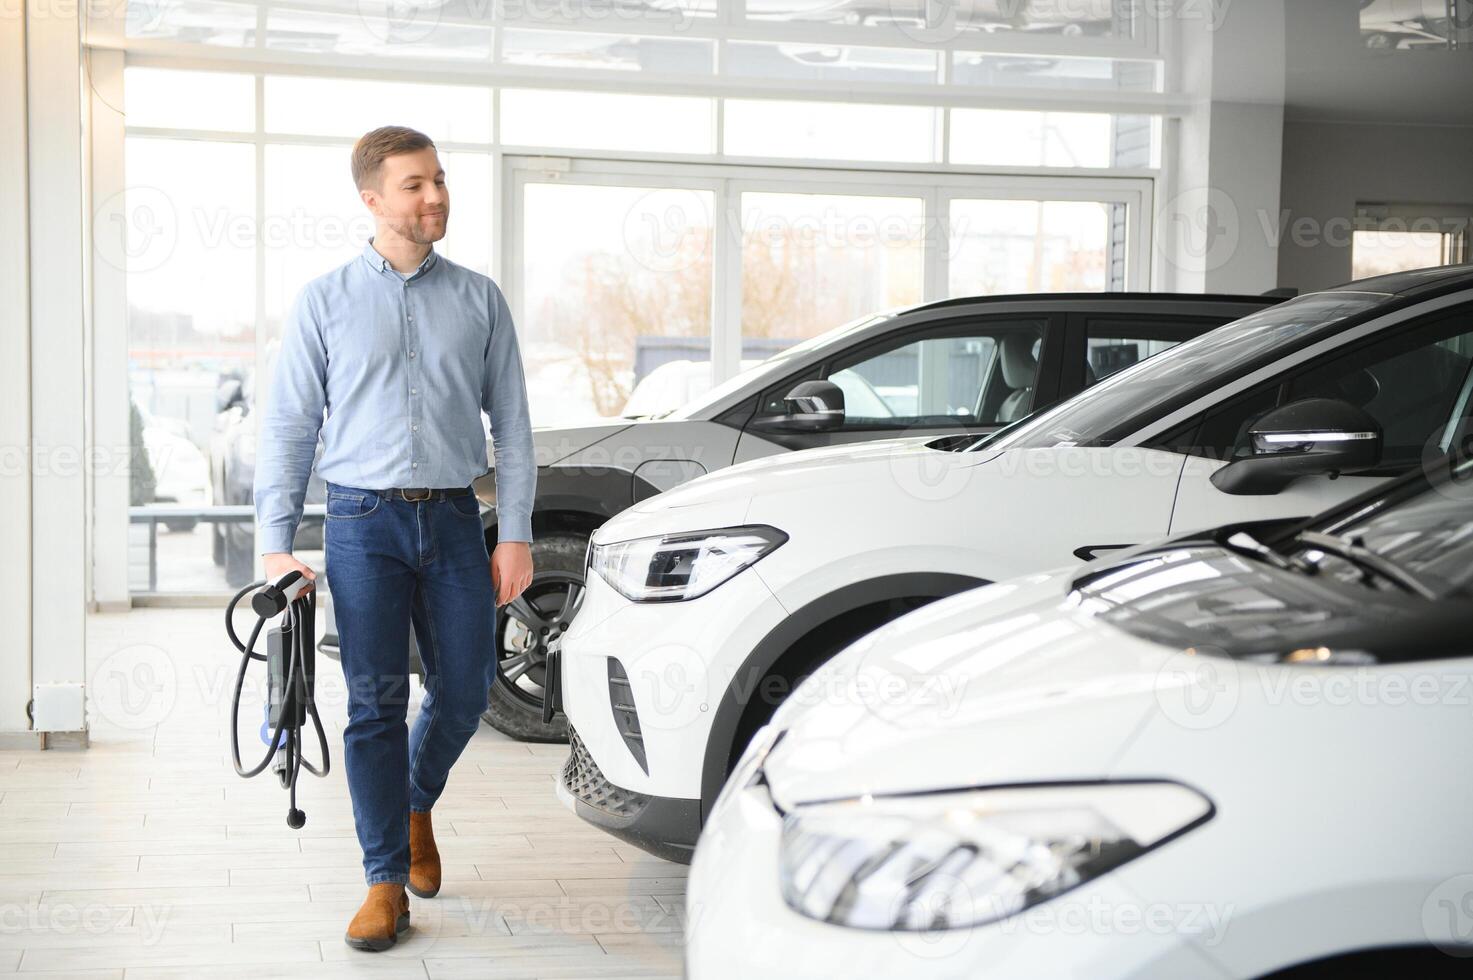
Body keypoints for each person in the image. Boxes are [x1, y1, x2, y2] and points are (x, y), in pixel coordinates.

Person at [252, 125, 536, 952]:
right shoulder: (325, 301)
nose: (435, 196)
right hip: (360, 523)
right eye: (414, 185)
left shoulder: (480, 299)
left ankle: (414, 802)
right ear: (372, 200)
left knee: (466, 691)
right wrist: (275, 540)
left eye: (440, 180)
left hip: (452, 516)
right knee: (373, 704)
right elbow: (289, 426)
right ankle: (383, 880)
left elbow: (513, 428)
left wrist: (512, 531)